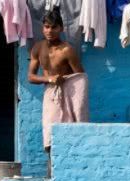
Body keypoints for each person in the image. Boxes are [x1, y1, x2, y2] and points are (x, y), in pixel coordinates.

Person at [29, 8, 88, 155]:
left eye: (54, 27)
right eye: (47, 27)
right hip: (50, 94)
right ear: (43, 28)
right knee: (50, 132)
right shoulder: (37, 48)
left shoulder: (67, 50)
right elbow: (31, 77)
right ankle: (52, 172)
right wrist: (49, 79)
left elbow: (80, 79)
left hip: (68, 95)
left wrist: (77, 108)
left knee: (70, 133)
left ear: (61, 28)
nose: (50, 31)